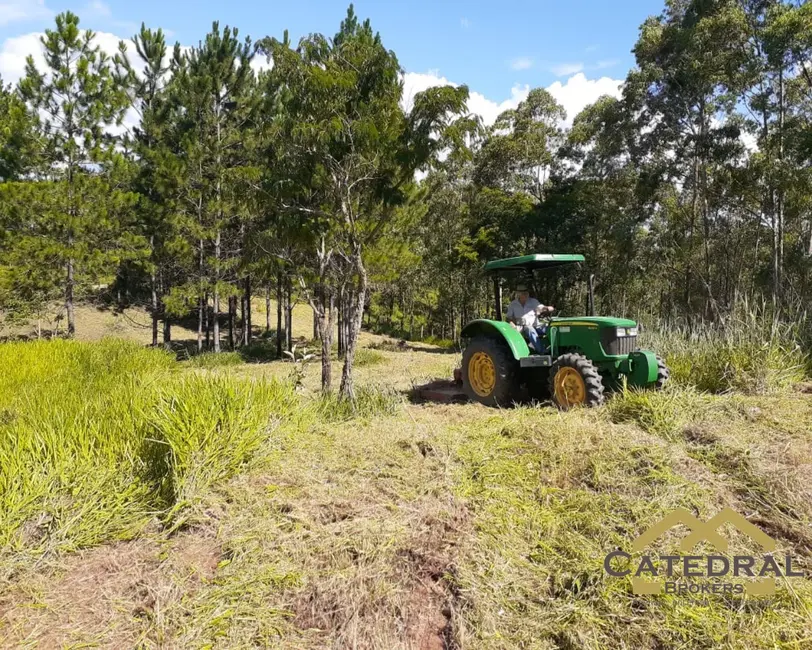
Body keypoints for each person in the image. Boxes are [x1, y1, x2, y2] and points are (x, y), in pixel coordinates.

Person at [505, 284, 555, 354]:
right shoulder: (513, 304)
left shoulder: (533, 301)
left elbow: (540, 307)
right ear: (518, 294)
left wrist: (547, 308)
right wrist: (511, 323)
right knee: (529, 329)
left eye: (526, 293)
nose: (525, 294)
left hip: (536, 325)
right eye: (523, 293)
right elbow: (508, 317)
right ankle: (542, 352)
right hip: (522, 327)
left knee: (551, 328)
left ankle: (555, 348)